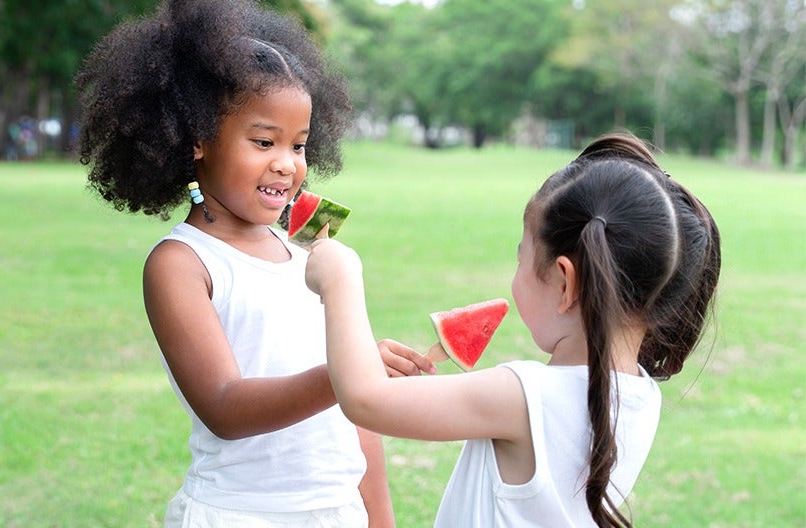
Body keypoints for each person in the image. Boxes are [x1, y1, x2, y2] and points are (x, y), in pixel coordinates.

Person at [75, 1, 433, 526]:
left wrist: (380, 518)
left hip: (337, 512)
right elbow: (224, 406)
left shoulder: (312, 250)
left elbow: (355, 419)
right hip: (241, 513)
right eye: (264, 141)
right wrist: (346, 373)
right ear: (196, 139)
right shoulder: (182, 264)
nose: (287, 163)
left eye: (300, 144)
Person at [306, 132, 722, 527]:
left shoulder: (523, 396)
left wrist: (340, 276)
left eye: (521, 257)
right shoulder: (642, 394)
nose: (516, 273)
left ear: (564, 282)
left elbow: (364, 400)